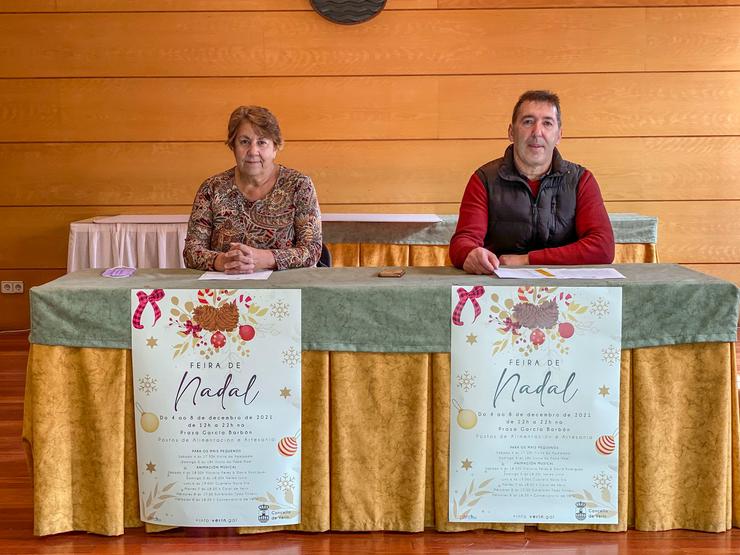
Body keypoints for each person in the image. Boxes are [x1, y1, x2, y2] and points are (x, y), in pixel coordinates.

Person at [449, 90, 615, 274]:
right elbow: (461, 243)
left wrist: (528, 260)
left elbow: (603, 247)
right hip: (499, 290)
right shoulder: (484, 180)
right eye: (528, 122)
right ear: (512, 132)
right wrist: (470, 254)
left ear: (559, 135)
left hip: (568, 293)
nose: (537, 132)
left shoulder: (581, 180)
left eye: (547, 123)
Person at [184, 105, 322, 273]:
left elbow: (312, 250)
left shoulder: (299, 186)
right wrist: (222, 261)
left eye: (262, 142)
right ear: (232, 147)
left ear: (275, 147)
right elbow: (191, 251)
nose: (253, 151)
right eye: (244, 142)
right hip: (225, 290)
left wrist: (265, 259)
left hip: (285, 291)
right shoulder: (212, 188)